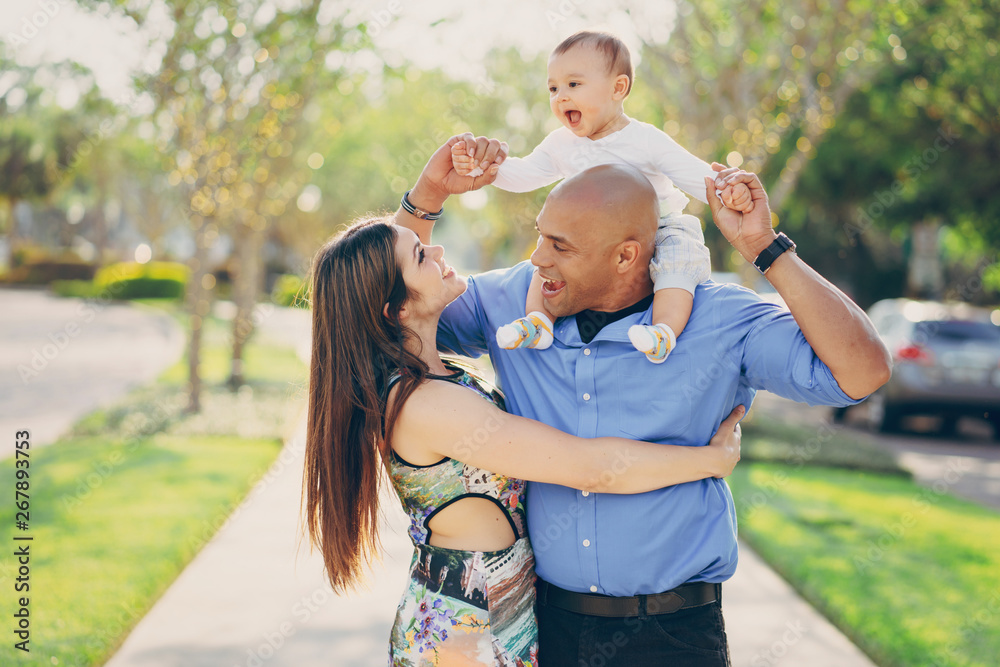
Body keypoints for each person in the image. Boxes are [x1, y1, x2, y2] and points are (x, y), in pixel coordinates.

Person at [400, 134, 892, 666]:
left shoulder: (720, 320)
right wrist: (429, 193)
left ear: (627, 255)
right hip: (548, 630)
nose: (539, 258)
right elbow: (394, 303)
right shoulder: (512, 300)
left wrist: (764, 249)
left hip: (673, 638)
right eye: (541, 237)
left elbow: (862, 374)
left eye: (561, 246)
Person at [300, 209, 745, 665]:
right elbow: (590, 467)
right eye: (420, 256)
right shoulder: (424, 404)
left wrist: (431, 190)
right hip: (465, 634)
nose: (435, 249)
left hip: (496, 614)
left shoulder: (436, 375)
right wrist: (710, 462)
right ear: (395, 309)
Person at [452, 30, 754, 364]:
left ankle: (663, 332)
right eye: (553, 88)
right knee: (549, 258)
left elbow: (694, 174)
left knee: (678, 265)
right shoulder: (560, 144)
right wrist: (486, 168)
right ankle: (538, 322)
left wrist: (730, 190)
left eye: (574, 85)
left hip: (659, 227)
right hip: (587, 240)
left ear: (618, 88)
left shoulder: (644, 140)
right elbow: (525, 175)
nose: (561, 97)